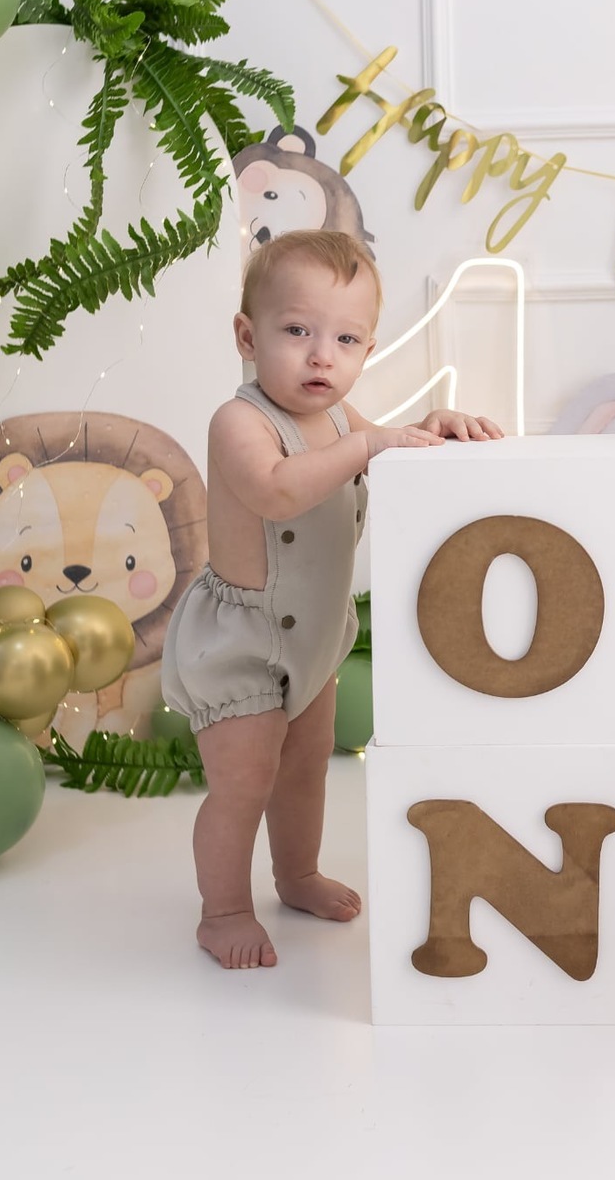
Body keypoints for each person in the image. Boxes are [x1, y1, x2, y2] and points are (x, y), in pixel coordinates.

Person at [162, 229, 502, 969]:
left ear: (367, 350)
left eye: (345, 339)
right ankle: (222, 911)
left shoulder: (344, 420)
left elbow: (391, 451)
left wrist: (431, 428)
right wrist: (371, 447)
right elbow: (276, 491)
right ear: (248, 337)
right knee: (244, 782)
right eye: (297, 331)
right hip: (244, 642)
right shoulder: (240, 422)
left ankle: (298, 874)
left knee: (306, 767)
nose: (322, 356)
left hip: (313, 636)